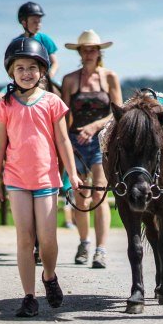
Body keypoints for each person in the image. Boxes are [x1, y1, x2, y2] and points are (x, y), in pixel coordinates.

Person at [0, 37, 81, 317]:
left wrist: (74, 175)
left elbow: (64, 141)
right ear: (11, 72)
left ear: (42, 71)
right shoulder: (5, 105)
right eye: (20, 68)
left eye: (32, 67)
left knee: (48, 238)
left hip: (46, 179)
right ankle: (29, 296)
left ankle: (49, 276)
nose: (26, 72)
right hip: (16, 180)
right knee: (25, 239)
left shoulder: (53, 102)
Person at [61, 30, 122, 269]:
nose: (89, 53)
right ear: (79, 52)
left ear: (99, 52)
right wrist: (63, 142)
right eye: (84, 49)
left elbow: (117, 111)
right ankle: (84, 242)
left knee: (100, 195)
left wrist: (95, 125)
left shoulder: (109, 77)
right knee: (80, 197)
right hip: (76, 143)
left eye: (93, 49)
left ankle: (101, 249)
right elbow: (64, 114)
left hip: (101, 142)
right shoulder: (70, 79)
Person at [0, 2, 59, 154]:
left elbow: (55, 62)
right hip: (24, 78)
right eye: (35, 21)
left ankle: (66, 130)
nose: (39, 24)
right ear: (24, 22)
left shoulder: (45, 39)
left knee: (63, 95)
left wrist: (47, 76)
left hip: (45, 76)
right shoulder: (16, 42)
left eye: (40, 21)